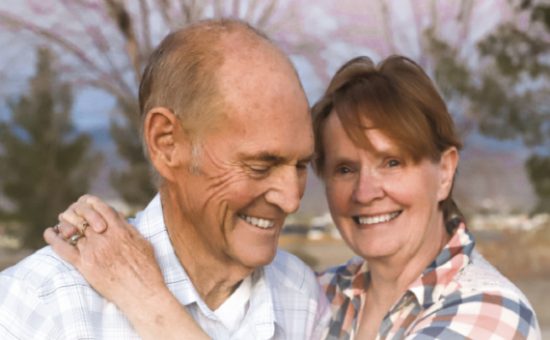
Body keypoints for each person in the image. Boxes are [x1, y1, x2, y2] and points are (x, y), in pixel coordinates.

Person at [47, 55, 542, 339]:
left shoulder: (491, 312)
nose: (367, 192)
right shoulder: (317, 295)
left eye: (393, 162)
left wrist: (145, 297)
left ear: (444, 172)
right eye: (345, 168)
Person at [0, 18, 330, 339]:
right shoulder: (42, 307)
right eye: (260, 166)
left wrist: (153, 306)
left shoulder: (301, 296)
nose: (291, 199)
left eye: (301, 165)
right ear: (166, 143)